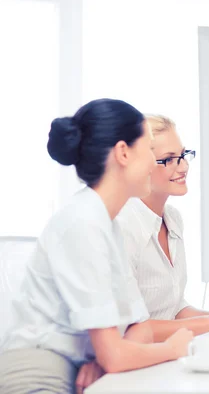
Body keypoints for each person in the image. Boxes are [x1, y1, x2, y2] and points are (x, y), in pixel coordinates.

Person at [0, 99, 193, 394]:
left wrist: (110, 358)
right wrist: (171, 348)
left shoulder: (107, 223)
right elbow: (116, 353)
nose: (155, 166)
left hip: (83, 370)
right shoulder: (83, 223)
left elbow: (139, 327)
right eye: (149, 150)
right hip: (40, 373)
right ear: (124, 153)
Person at [115, 115, 209, 342]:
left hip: (161, 356)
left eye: (183, 155)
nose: (184, 166)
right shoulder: (122, 227)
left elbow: (174, 310)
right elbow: (129, 329)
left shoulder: (173, 219)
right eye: (169, 159)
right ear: (141, 164)